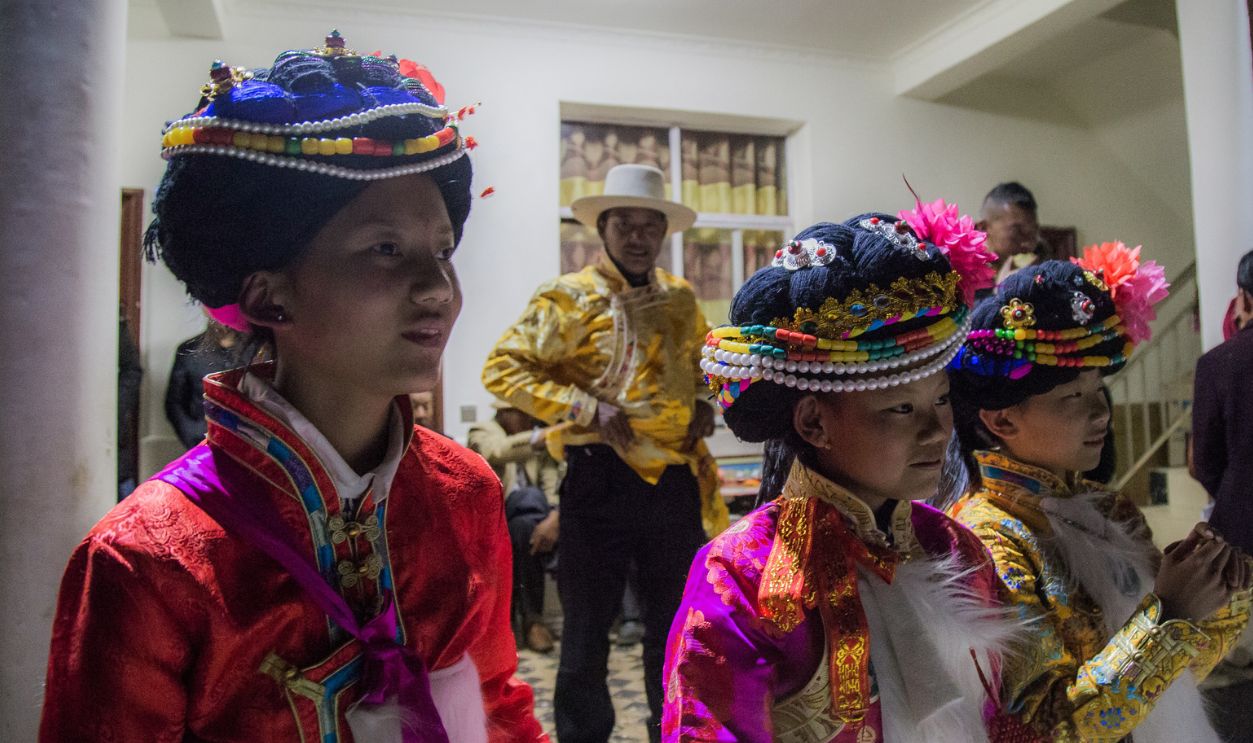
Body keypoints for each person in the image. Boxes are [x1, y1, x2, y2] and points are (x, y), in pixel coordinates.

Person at [41, 32, 543, 742]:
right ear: (272, 298)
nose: (438, 288)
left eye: (440, 251)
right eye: (385, 249)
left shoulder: (466, 493)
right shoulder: (150, 558)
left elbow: (497, 704)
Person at [664, 205, 1026, 741]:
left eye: (943, 400)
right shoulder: (740, 577)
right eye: (902, 409)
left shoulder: (956, 548)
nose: (937, 431)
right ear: (814, 421)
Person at [944, 244, 1251, 741]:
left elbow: (1175, 678)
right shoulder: (986, 541)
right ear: (1001, 419)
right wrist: (1167, 615)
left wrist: (1221, 597)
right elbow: (1046, 728)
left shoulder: (1113, 509)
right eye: (1072, 398)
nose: (1101, 414)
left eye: (1097, 392)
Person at [483, 163, 717, 742]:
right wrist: (586, 408)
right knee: (586, 633)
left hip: (675, 482)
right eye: (624, 224)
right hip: (598, 478)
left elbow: (697, 365)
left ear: (663, 232)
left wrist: (707, 402)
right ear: (602, 229)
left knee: (677, 627)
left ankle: (676, 732)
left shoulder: (682, 298)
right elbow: (501, 369)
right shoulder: (568, 297)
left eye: (649, 225)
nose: (637, 236)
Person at [467, 404, 562, 653]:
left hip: (530, 523)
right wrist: (539, 438)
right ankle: (533, 621)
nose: (530, 419)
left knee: (524, 526)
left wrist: (554, 516)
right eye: (524, 414)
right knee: (526, 499)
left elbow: (551, 481)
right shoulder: (483, 430)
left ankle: (524, 622)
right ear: (504, 413)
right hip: (498, 519)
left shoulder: (537, 438)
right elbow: (495, 451)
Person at [1194, 249, 1253, 554]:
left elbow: (1205, 461)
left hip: (1244, 528)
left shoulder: (1218, 364)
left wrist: (1238, 494)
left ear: (1245, 298)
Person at [165, 322, 244, 449]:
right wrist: (192, 434)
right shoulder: (189, 350)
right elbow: (174, 401)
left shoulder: (260, 350)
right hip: (201, 441)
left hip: (248, 444)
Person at [977, 182, 1042, 286]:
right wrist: (1002, 291)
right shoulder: (965, 275)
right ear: (984, 228)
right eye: (1016, 232)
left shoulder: (1042, 259)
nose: (1028, 245)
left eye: (1033, 232)